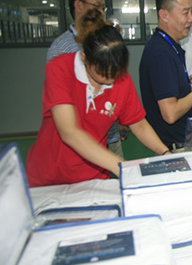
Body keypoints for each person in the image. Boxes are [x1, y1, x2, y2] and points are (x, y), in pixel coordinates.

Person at [27, 21, 169, 187]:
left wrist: (164, 152)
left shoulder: (121, 79)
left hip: (93, 178)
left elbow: (139, 125)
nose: (111, 79)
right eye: (103, 73)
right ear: (85, 59)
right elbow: (69, 132)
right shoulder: (60, 69)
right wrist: (120, 167)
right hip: (48, 177)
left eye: (115, 71)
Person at [45, 0, 127, 158]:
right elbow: (63, 107)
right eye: (96, 6)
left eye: (103, 8)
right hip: (80, 141)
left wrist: (120, 118)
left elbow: (117, 91)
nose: (101, 12)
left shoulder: (108, 41)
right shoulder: (61, 50)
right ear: (78, 5)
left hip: (110, 135)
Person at [139, 0, 192, 150]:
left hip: (185, 143)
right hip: (176, 148)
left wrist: (187, 89)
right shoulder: (160, 52)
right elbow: (170, 114)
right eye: (185, 12)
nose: (191, 19)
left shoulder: (170, 46)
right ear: (164, 15)